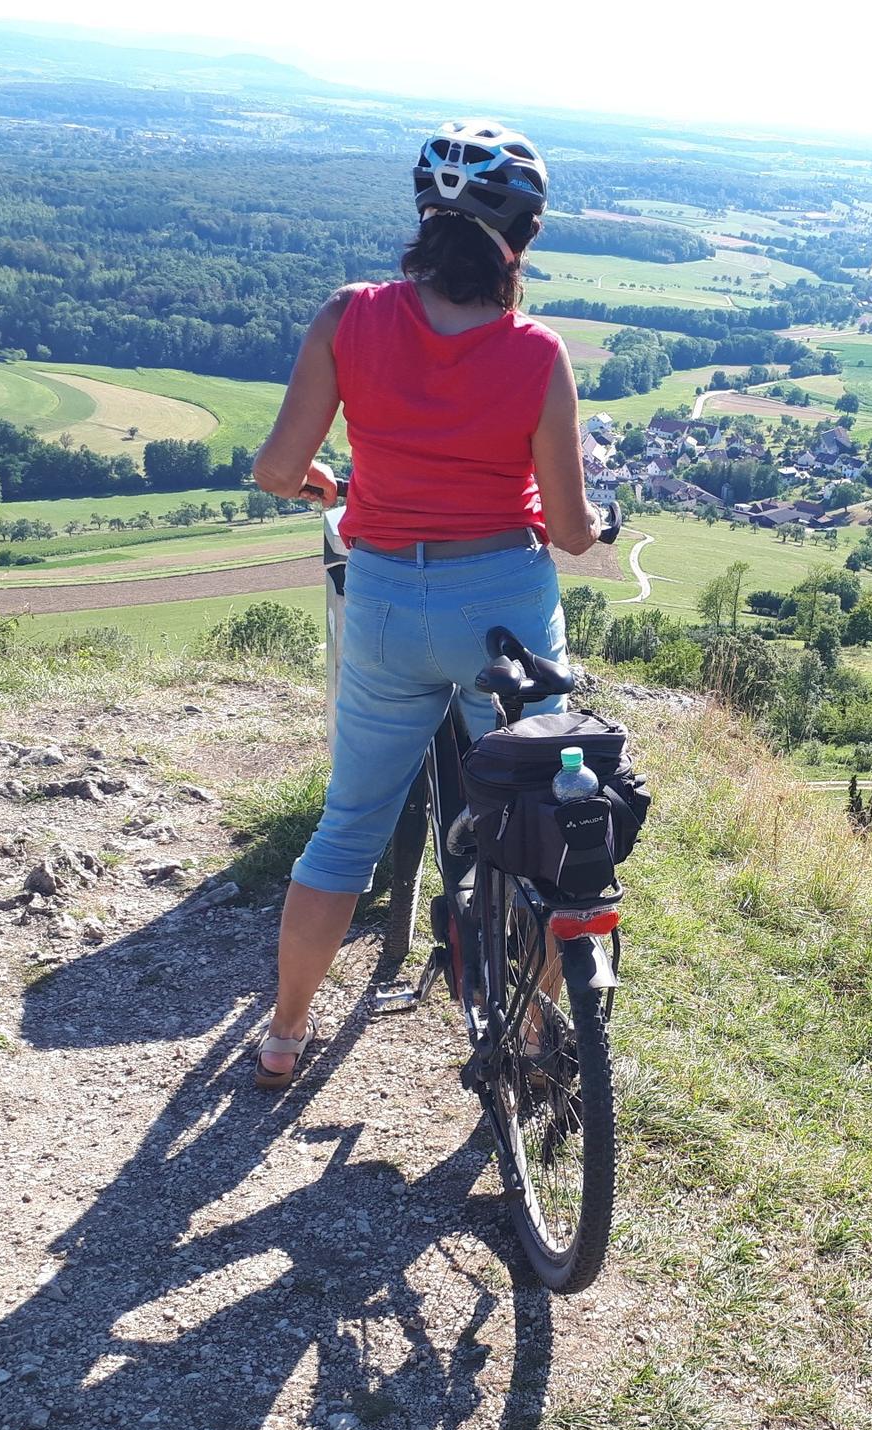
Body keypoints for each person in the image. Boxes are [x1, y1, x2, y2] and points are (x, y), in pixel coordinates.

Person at [246, 120, 604, 1090]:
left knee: (345, 830)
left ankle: (284, 1035)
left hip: (386, 604)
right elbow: (572, 530)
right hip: (503, 610)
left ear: (422, 216)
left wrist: (323, 483)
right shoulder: (538, 354)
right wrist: (588, 519)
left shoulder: (348, 317)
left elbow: (276, 468)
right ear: (522, 235)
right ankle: (535, 1031)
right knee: (543, 823)